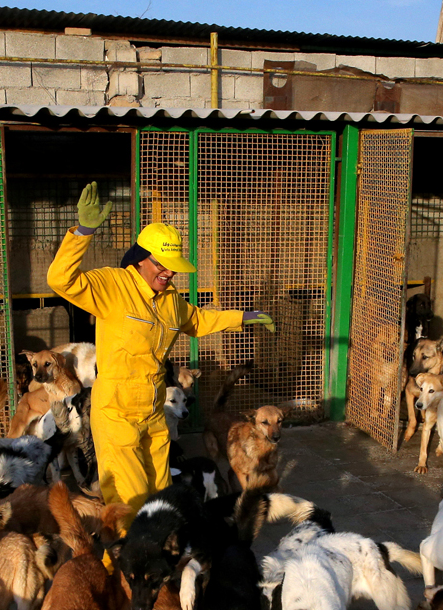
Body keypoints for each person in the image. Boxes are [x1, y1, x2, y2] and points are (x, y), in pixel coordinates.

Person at [47, 182, 275, 511]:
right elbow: (61, 279)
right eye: (161, 264)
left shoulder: (170, 300)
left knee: (160, 498)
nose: (168, 272)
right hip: (116, 412)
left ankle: (155, 557)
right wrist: (83, 232)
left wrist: (244, 316)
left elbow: (198, 320)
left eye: (172, 266)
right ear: (142, 259)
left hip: (153, 411)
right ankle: (125, 562)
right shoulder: (113, 285)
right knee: (129, 501)